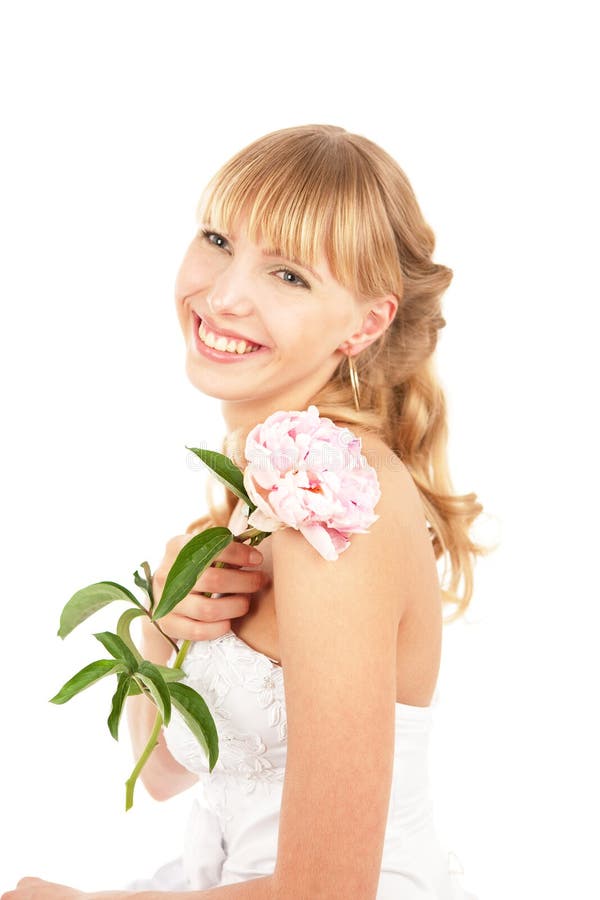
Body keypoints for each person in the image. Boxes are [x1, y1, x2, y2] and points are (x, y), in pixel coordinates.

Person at [4, 124, 489, 900]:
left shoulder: (335, 509)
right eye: (218, 238)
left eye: (289, 275)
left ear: (364, 324)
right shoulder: (261, 491)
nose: (224, 294)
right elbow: (162, 772)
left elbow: (329, 893)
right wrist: (160, 628)